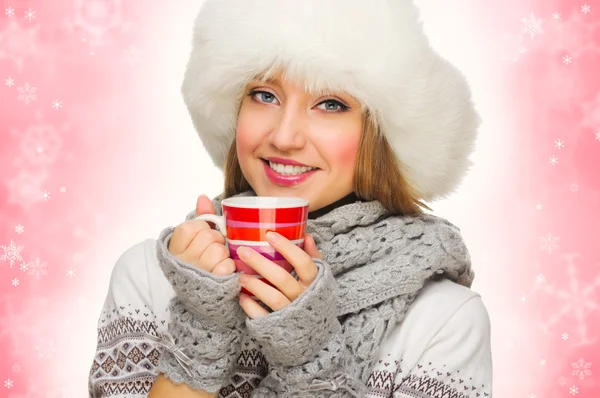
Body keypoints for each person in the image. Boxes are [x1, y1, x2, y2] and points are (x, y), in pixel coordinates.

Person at [88, 0, 493, 397]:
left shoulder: (443, 320)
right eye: (264, 95)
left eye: (330, 104)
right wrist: (200, 330)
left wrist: (310, 362)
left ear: (382, 135)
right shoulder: (151, 276)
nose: (284, 137)